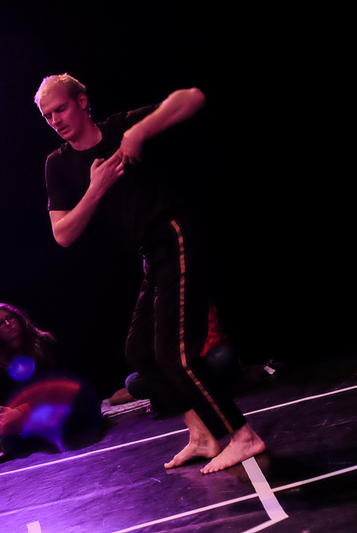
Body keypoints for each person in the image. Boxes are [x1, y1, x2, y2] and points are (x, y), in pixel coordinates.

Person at [34, 74, 265, 474]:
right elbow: (63, 234)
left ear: (82, 101)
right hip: (150, 255)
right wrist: (96, 188)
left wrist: (139, 131)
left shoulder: (119, 128)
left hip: (176, 235)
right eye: (47, 115)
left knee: (176, 355)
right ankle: (201, 435)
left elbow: (192, 96)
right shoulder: (58, 164)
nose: (55, 120)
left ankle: (243, 435)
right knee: (139, 352)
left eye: (61, 109)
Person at [0, 303, 101, 462]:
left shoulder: (44, 342)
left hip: (61, 401)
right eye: (1, 323)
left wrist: (21, 411)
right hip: (32, 414)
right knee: (1, 409)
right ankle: (4, 441)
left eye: (10, 318)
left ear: (19, 319)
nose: (8, 324)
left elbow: (57, 386)